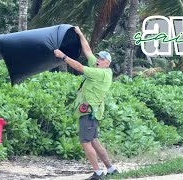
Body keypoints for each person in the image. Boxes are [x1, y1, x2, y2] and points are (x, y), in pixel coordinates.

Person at [54, 26, 118, 180]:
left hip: (89, 111)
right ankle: (110, 169)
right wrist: (81, 34)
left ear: (107, 63)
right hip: (94, 111)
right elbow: (88, 51)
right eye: (99, 58)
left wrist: (63, 57)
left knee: (85, 141)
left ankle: (97, 173)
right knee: (94, 141)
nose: (98, 60)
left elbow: (79, 67)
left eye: (102, 59)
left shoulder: (100, 73)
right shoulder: (98, 66)